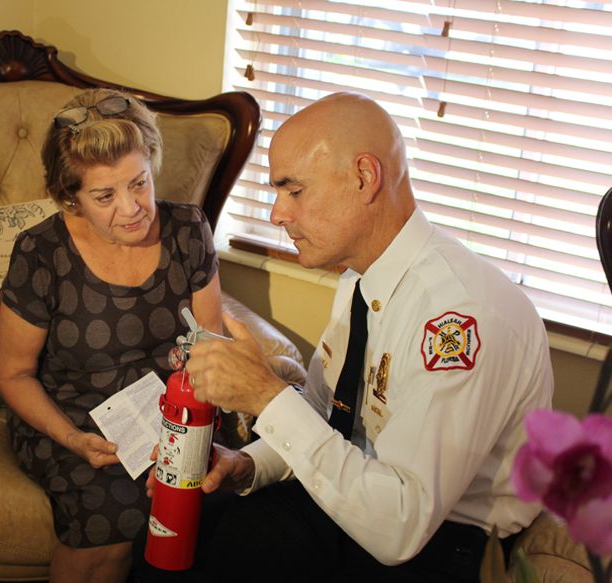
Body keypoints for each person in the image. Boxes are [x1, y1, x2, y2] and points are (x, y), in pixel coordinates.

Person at [137, 92, 553, 582]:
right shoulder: (360, 278)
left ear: (364, 177)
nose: (276, 214)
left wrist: (265, 395)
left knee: (245, 548)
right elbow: (324, 418)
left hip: (441, 537)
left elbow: (400, 528)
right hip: (358, 491)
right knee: (190, 526)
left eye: (293, 191)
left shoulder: (460, 320)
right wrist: (246, 464)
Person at [0, 88, 223, 583]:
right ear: (69, 198)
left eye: (139, 183)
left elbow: (211, 346)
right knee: (114, 516)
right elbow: (12, 374)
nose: (132, 208)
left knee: (211, 497)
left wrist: (186, 436)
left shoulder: (188, 230)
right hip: (69, 415)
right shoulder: (40, 253)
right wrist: (74, 440)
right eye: (104, 196)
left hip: (172, 411)